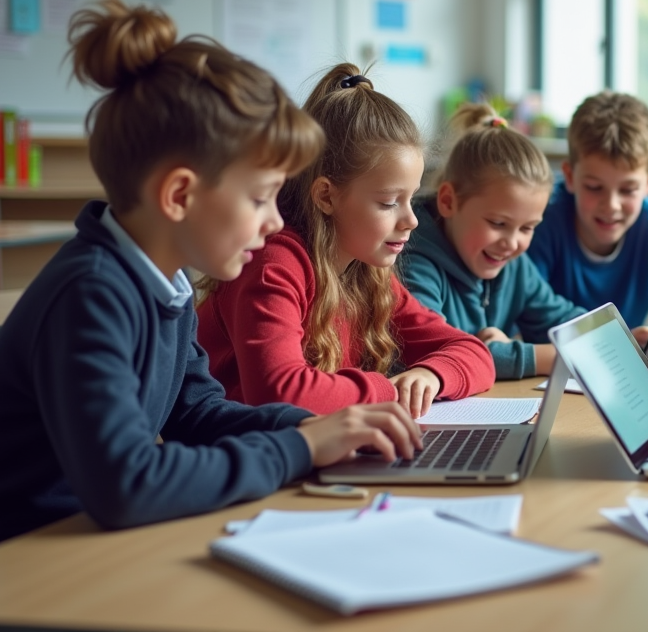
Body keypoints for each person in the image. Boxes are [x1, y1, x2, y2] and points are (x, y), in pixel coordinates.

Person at [0, 0, 422, 555]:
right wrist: (299, 451)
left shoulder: (165, 284)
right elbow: (126, 485)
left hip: (75, 543)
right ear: (179, 195)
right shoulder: (91, 294)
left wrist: (312, 431)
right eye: (259, 197)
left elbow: (196, 412)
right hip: (7, 560)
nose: (276, 220)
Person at [197, 64, 495, 419]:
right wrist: (389, 389)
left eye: (411, 199)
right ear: (326, 196)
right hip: (247, 459)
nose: (411, 220)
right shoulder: (272, 264)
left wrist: (431, 374)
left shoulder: (368, 272)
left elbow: (472, 351)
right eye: (388, 203)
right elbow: (279, 391)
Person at [401, 104, 586, 380]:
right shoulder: (412, 260)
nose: (512, 243)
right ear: (448, 201)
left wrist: (620, 337)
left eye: (527, 228)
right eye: (498, 224)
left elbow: (562, 319)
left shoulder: (512, 264)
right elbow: (437, 353)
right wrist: (551, 357)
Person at [526, 91, 648, 328]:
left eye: (628, 190)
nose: (611, 205)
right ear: (569, 176)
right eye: (594, 187)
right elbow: (524, 313)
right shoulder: (537, 221)